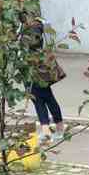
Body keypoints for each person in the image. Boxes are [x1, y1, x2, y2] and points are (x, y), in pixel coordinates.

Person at [25, 14, 66, 143]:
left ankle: (53, 129)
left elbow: (34, 43)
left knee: (44, 97)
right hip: (31, 66)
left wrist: (21, 39)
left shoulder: (35, 26)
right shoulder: (27, 26)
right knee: (40, 98)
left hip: (38, 67)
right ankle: (49, 129)